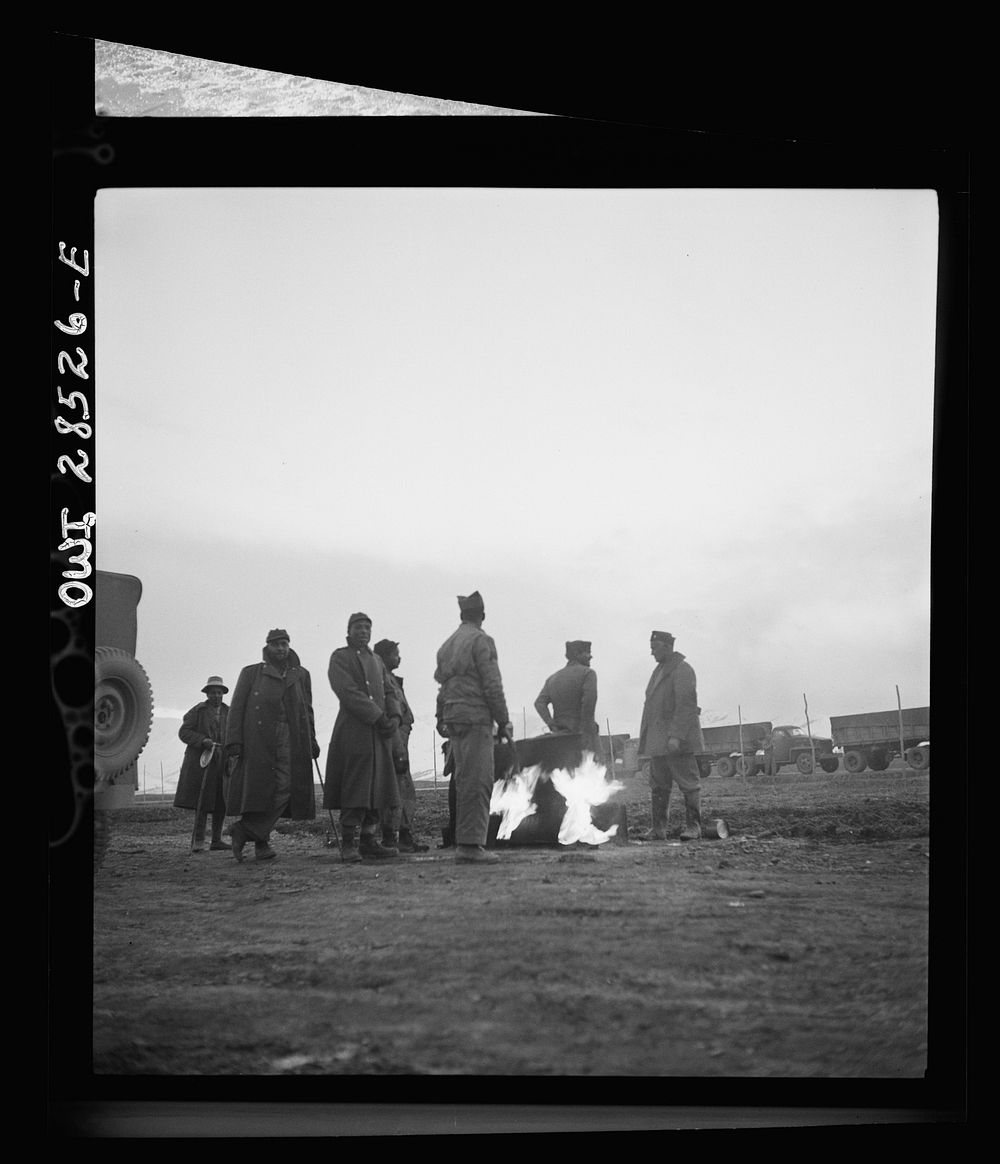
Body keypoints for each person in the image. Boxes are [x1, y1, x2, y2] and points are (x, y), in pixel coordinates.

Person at [224, 629, 320, 862]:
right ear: (267, 647)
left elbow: (307, 710)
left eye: (284, 643)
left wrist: (312, 739)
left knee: (286, 786)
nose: (281, 648)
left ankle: (246, 830)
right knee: (260, 789)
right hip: (259, 738)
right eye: (276, 644)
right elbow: (236, 708)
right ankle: (261, 844)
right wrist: (234, 740)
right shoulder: (251, 673)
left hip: (292, 737)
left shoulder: (302, 675)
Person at [434, 590, 513, 865]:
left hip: (454, 717)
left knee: (464, 780)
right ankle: (470, 846)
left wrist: (442, 715)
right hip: (476, 718)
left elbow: (442, 687)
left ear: (461, 615)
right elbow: (492, 684)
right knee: (479, 780)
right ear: (482, 615)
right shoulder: (481, 640)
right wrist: (503, 721)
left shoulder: (447, 644)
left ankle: (464, 841)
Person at [323, 614, 402, 863]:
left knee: (379, 788)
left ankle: (369, 841)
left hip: (380, 736)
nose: (363, 631)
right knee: (355, 787)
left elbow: (389, 690)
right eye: (358, 627)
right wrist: (377, 716)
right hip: (353, 733)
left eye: (367, 627)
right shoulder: (340, 657)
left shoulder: (377, 660)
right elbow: (347, 692)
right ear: (349, 630)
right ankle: (349, 844)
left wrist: (395, 717)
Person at [638, 630, 706, 841]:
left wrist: (676, 736)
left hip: (678, 741)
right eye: (650, 648)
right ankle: (658, 829)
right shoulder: (658, 671)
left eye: (655, 648)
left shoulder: (683, 670)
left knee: (688, 784)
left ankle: (694, 827)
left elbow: (686, 706)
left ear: (668, 647)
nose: (652, 653)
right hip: (658, 743)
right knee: (658, 786)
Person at [373, 638, 429, 853]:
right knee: (396, 789)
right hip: (393, 741)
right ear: (385, 656)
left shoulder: (391, 680)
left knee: (404, 789)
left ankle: (402, 835)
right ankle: (393, 836)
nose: (399, 658)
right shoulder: (381, 680)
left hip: (401, 740)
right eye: (395, 654)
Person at [173, 676, 231, 852]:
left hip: (222, 761)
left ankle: (216, 840)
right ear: (207, 694)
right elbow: (184, 732)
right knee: (202, 801)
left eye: (219, 692)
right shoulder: (197, 711)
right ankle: (198, 840)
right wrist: (202, 740)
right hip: (202, 763)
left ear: (223, 694)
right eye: (213, 692)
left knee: (221, 800)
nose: (216, 696)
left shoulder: (230, 712)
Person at [533, 640, 599, 754]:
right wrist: (587, 729)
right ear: (577, 655)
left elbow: (539, 703)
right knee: (594, 767)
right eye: (587, 653)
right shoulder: (588, 673)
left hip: (559, 736)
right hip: (581, 735)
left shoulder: (553, 679)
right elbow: (589, 702)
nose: (590, 657)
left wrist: (551, 723)